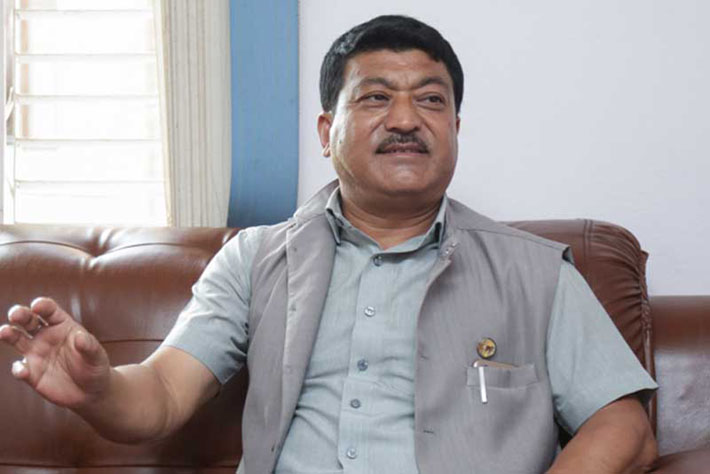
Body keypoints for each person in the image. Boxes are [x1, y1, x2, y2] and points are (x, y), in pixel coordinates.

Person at [0, 15, 658, 474]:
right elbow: (164, 394)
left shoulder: (535, 273)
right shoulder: (255, 260)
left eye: (431, 101)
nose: (406, 119)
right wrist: (99, 390)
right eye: (375, 98)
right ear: (325, 131)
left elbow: (624, 427)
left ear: (456, 127)